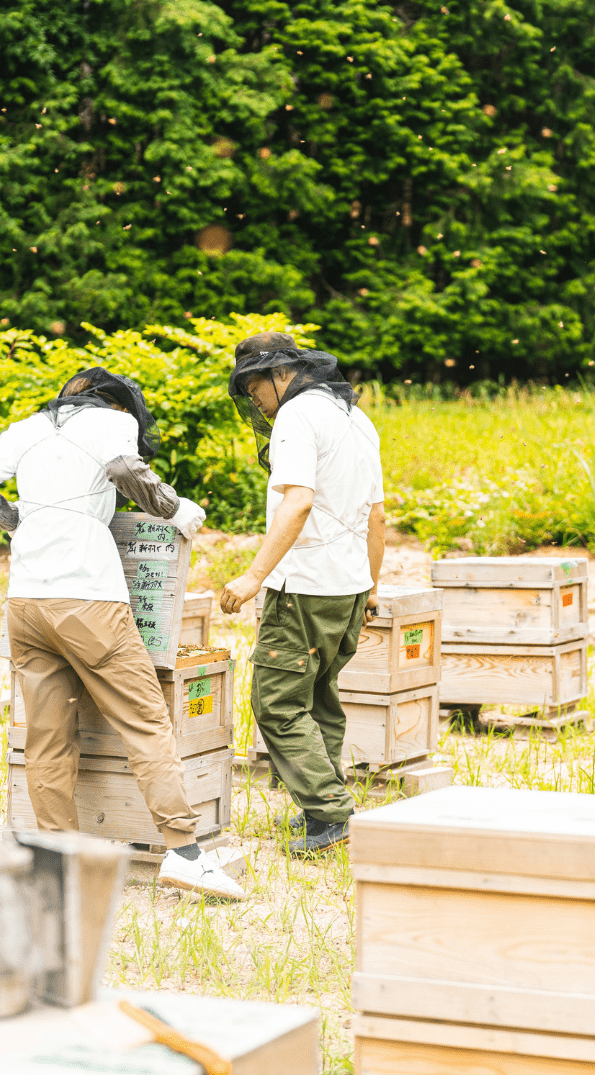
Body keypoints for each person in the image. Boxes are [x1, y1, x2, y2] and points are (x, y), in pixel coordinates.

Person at [0, 367, 246, 899]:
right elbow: (126, 470)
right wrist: (175, 509)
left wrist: (18, 521)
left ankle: (54, 863)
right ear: (115, 405)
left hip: (25, 601)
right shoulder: (110, 426)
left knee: (46, 739)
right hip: (89, 599)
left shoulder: (27, 428)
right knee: (145, 721)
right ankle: (185, 853)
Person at [220, 333, 385, 855]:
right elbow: (377, 516)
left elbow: (299, 502)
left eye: (254, 385)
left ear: (279, 374)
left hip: (305, 585)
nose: (254, 399)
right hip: (349, 587)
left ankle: (332, 815)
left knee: (276, 703)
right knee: (319, 699)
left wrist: (253, 576)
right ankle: (321, 805)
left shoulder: (297, 416)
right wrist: (372, 587)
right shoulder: (357, 418)